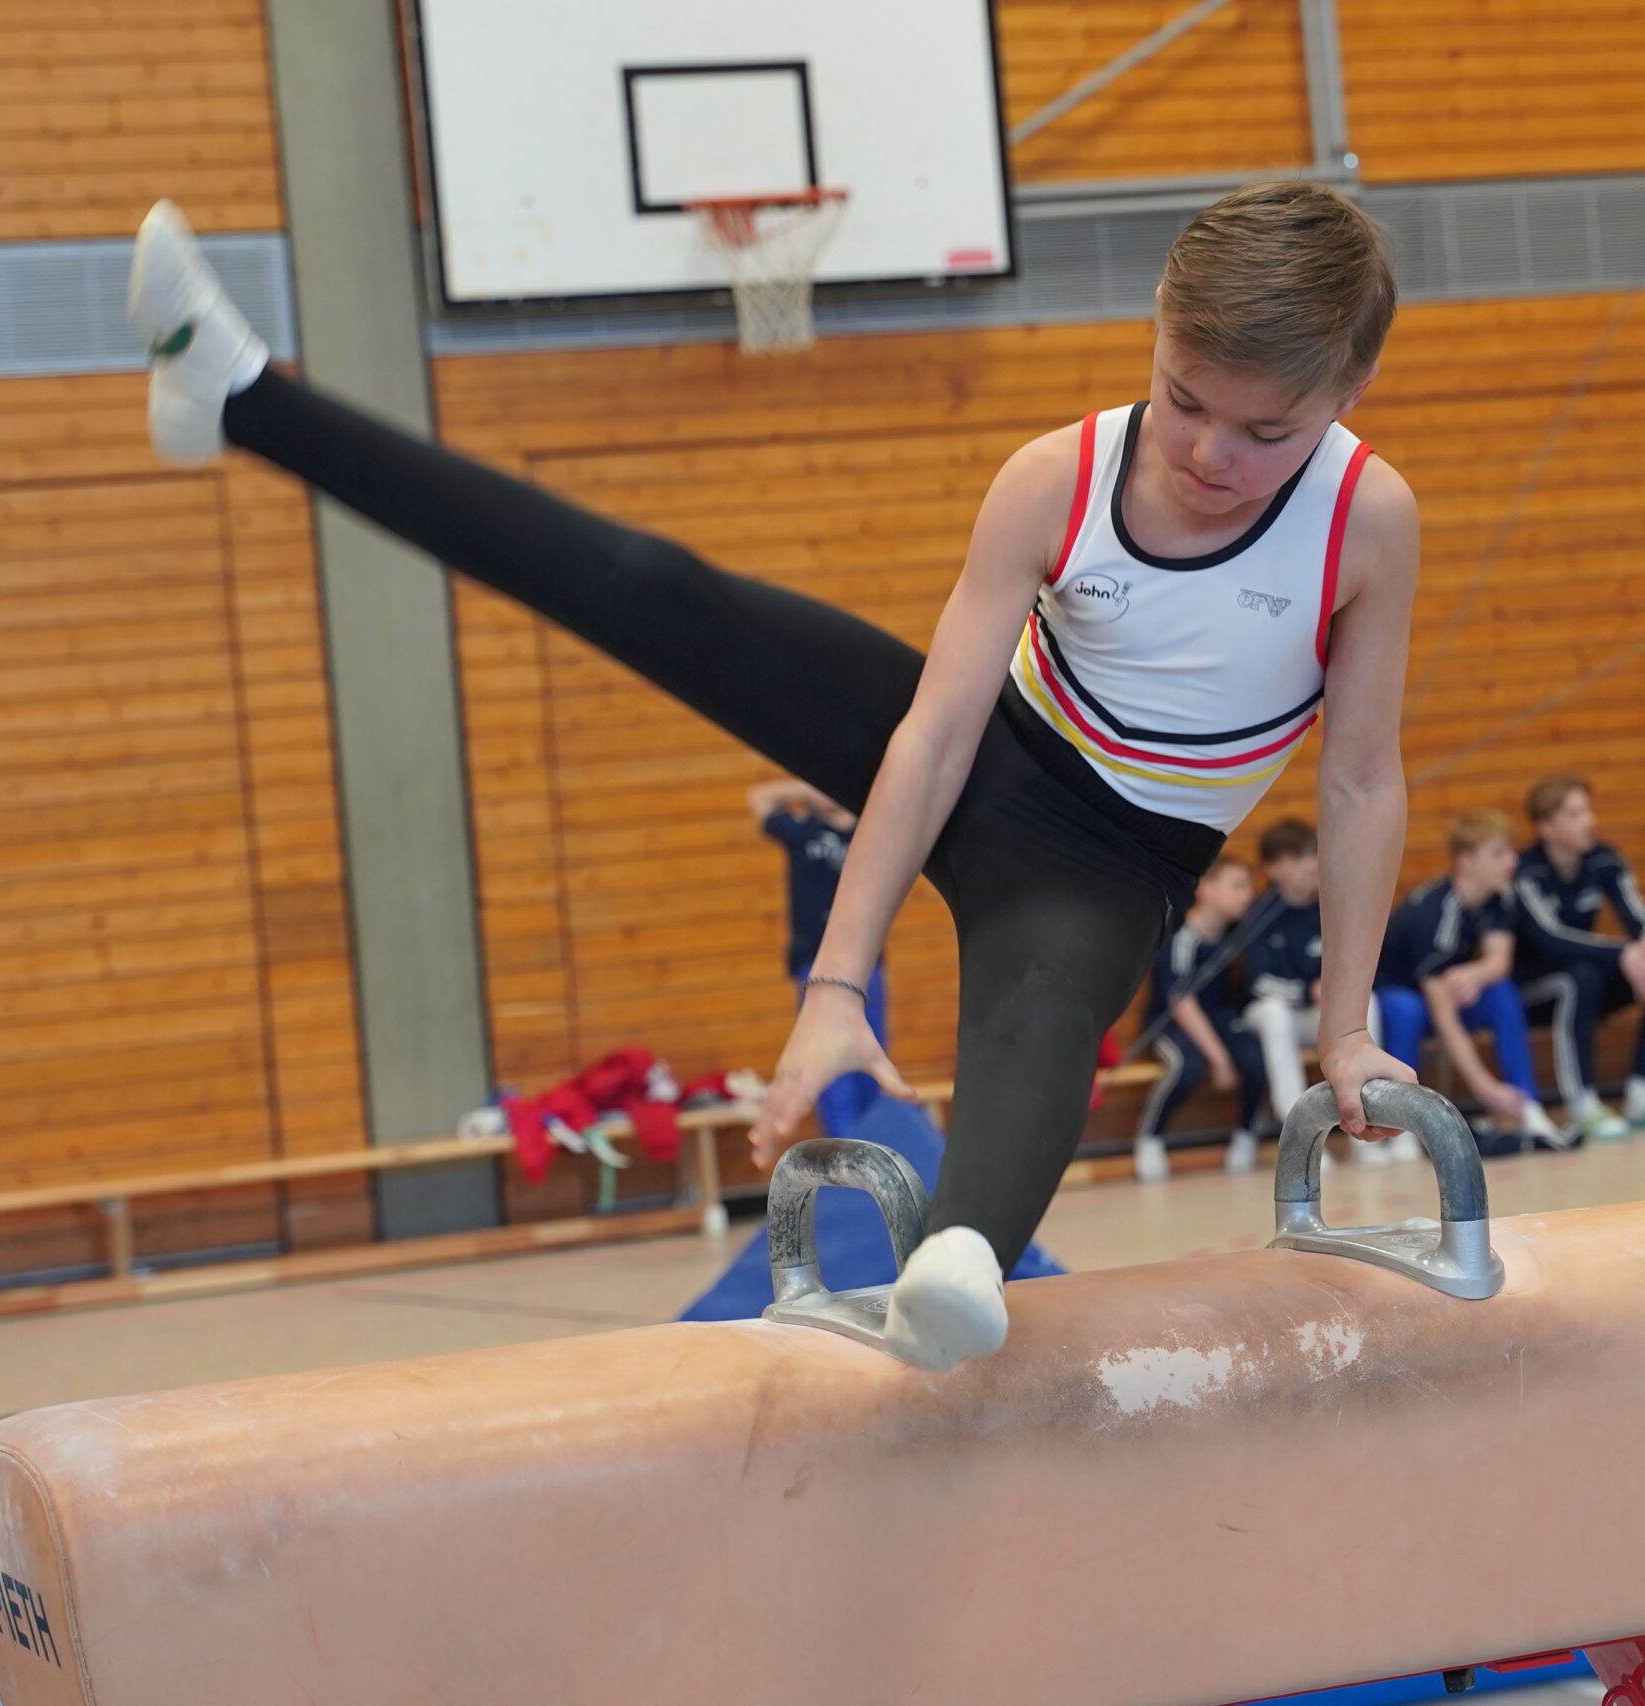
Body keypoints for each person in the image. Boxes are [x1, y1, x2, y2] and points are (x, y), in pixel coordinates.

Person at [126, 182, 1422, 1371]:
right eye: (1184, 399)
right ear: (1156, 330)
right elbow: (932, 737)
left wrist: (1346, 1025)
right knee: (652, 588)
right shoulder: (1060, 477)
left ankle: (956, 1261)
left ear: (1348, 391)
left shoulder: (1365, 522)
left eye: (1264, 431)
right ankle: (239, 393)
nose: (1207, 454)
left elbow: (1360, 782)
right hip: (984, 749)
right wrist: (837, 984)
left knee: (1041, 1016)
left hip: (1111, 864)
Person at [1509, 776, 1645, 1141]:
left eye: (1588, 811)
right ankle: (1583, 1103)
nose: (1589, 821)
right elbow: (1550, 939)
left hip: (1588, 978)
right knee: (1579, 978)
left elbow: (1639, 918)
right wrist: (1623, 952)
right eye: (1575, 814)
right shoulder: (1526, 872)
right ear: (1546, 828)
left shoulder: (1604, 859)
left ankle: (1644, 1094)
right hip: (1533, 988)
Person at [1375, 811, 1570, 1154]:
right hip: (1404, 997)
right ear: (1465, 862)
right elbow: (1443, 1013)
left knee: (1501, 992)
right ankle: (1400, 1126)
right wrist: (1484, 1087)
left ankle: (1528, 1107)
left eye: (1510, 852)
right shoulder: (1432, 913)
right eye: (1498, 854)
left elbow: (1499, 962)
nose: (1511, 862)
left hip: (1445, 993)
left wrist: (1474, 973)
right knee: (1406, 1010)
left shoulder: (1499, 897)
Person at [748, 779, 887, 1136]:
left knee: (870, 1061)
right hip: (817, 965)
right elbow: (758, 797)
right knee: (829, 1069)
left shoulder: (871, 831)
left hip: (865, 964)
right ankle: (846, 1149)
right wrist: (809, 788)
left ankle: (877, 1147)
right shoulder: (802, 831)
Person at [1135, 855, 1269, 1181]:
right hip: (1172, 1022)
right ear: (1206, 888)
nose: (1247, 895)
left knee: (1256, 1059)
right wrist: (1219, 1058)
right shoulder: (1183, 937)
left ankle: (1246, 1134)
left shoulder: (1239, 934)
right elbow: (1181, 1002)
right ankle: (1150, 1138)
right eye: (1237, 886)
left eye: (1249, 887)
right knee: (1187, 1065)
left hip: (1219, 1018)